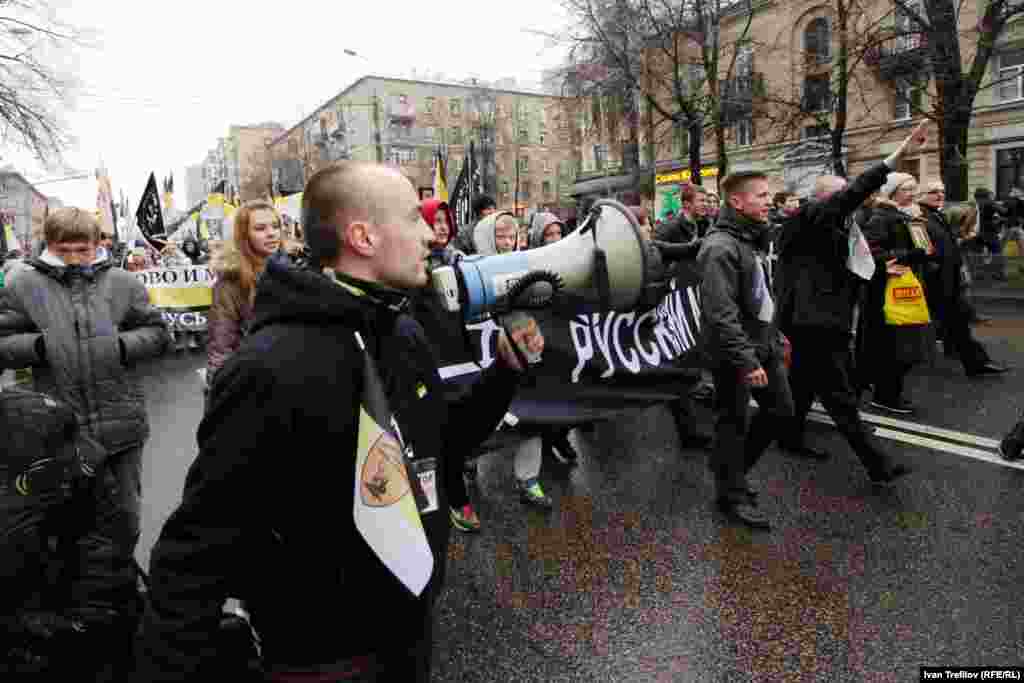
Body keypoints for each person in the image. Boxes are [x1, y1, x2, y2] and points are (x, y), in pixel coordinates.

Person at [136, 162, 543, 681]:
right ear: (363, 237)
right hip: (321, 657)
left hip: (411, 629)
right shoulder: (268, 365)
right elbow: (200, 541)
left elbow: (439, 445)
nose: (429, 233)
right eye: (413, 218)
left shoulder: (402, 333)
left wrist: (503, 374)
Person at [0, 208, 169, 634]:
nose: (75, 258)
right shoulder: (23, 286)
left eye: (84, 249)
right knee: (64, 522)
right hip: (58, 432)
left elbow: (157, 332)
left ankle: (119, 593)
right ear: (49, 245)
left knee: (125, 517)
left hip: (121, 424)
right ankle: (79, 606)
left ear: (98, 244)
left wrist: (122, 346)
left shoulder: (123, 283)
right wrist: (38, 347)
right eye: (65, 250)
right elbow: (3, 341)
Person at [775, 121, 928, 485]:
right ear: (824, 197)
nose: (850, 199)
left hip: (820, 319)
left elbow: (840, 268)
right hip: (814, 322)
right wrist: (892, 161)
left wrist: (880, 270)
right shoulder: (809, 217)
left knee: (802, 385)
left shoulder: (839, 225)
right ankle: (878, 464)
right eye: (842, 194)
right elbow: (853, 196)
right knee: (839, 397)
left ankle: (789, 438)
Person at [698, 171, 794, 530]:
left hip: (761, 344)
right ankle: (731, 493)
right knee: (733, 421)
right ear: (737, 202)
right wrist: (747, 360)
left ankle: (731, 471)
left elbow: (761, 295)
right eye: (761, 195)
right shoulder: (719, 248)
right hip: (734, 352)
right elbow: (720, 313)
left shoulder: (752, 236)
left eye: (769, 194)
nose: (769, 201)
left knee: (781, 410)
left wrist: (775, 335)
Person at [467, 210, 554, 507]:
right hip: (489, 360)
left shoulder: (527, 265)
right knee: (483, 416)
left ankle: (528, 479)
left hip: (525, 354)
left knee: (531, 414)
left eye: (511, 236)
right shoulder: (472, 269)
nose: (507, 242)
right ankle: (468, 458)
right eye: (500, 236)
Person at [861, 173, 936, 414]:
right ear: (892, 192)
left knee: (904, 345)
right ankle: (885, 395)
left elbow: (924, 249)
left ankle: (885, 391)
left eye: (914, 188)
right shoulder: (881, 218)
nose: (912, 193)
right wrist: (909, 256)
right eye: (906, 189)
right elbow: (871, 253)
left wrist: (924, 250)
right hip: (887, 291)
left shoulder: (908, 216)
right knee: (893, 347)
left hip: (905, 288)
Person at [918, 181, 1007, 377]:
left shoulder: (937, 215)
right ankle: (974, 362)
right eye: (933, 192)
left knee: (956, 322)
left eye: (942, 191)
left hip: (948, 278)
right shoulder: (920, 218)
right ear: (922, 194)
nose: (939, 195)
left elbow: (947, 244)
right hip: (936, 281)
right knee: (953, 321)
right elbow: (924, 251)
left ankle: (972, 361)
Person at [206, 200, 282, 387]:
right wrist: (219, 387)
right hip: (257, 379)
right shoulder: (229, 284)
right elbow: (222, 345)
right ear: (243, 235)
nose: (271, 233)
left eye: (275, 226)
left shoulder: (297, 271)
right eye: (260, 228)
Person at [421, 198, 462, 271]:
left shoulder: (456, 258)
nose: (444, 227)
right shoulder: (415, 265)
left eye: (447, 221)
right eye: (437, 221)